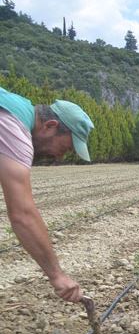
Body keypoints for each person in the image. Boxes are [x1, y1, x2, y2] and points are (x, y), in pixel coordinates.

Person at [0, 86, 95, 303]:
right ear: (51, 126)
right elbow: (23, 214)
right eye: (65, 148)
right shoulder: (14, 128)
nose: (59, 157)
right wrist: (57, 275)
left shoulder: (14, 105)